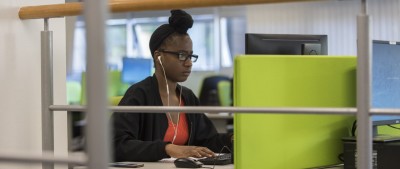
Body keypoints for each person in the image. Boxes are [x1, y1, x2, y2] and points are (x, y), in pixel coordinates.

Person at [112, 9, 232, 162]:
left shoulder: (188, 97)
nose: (188, 63)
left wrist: (232, 139)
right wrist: (168, 149)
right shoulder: (139, 94)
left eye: (190, 56)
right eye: (181, 55)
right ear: (159, 56)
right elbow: (116, 144)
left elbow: (207, 141)